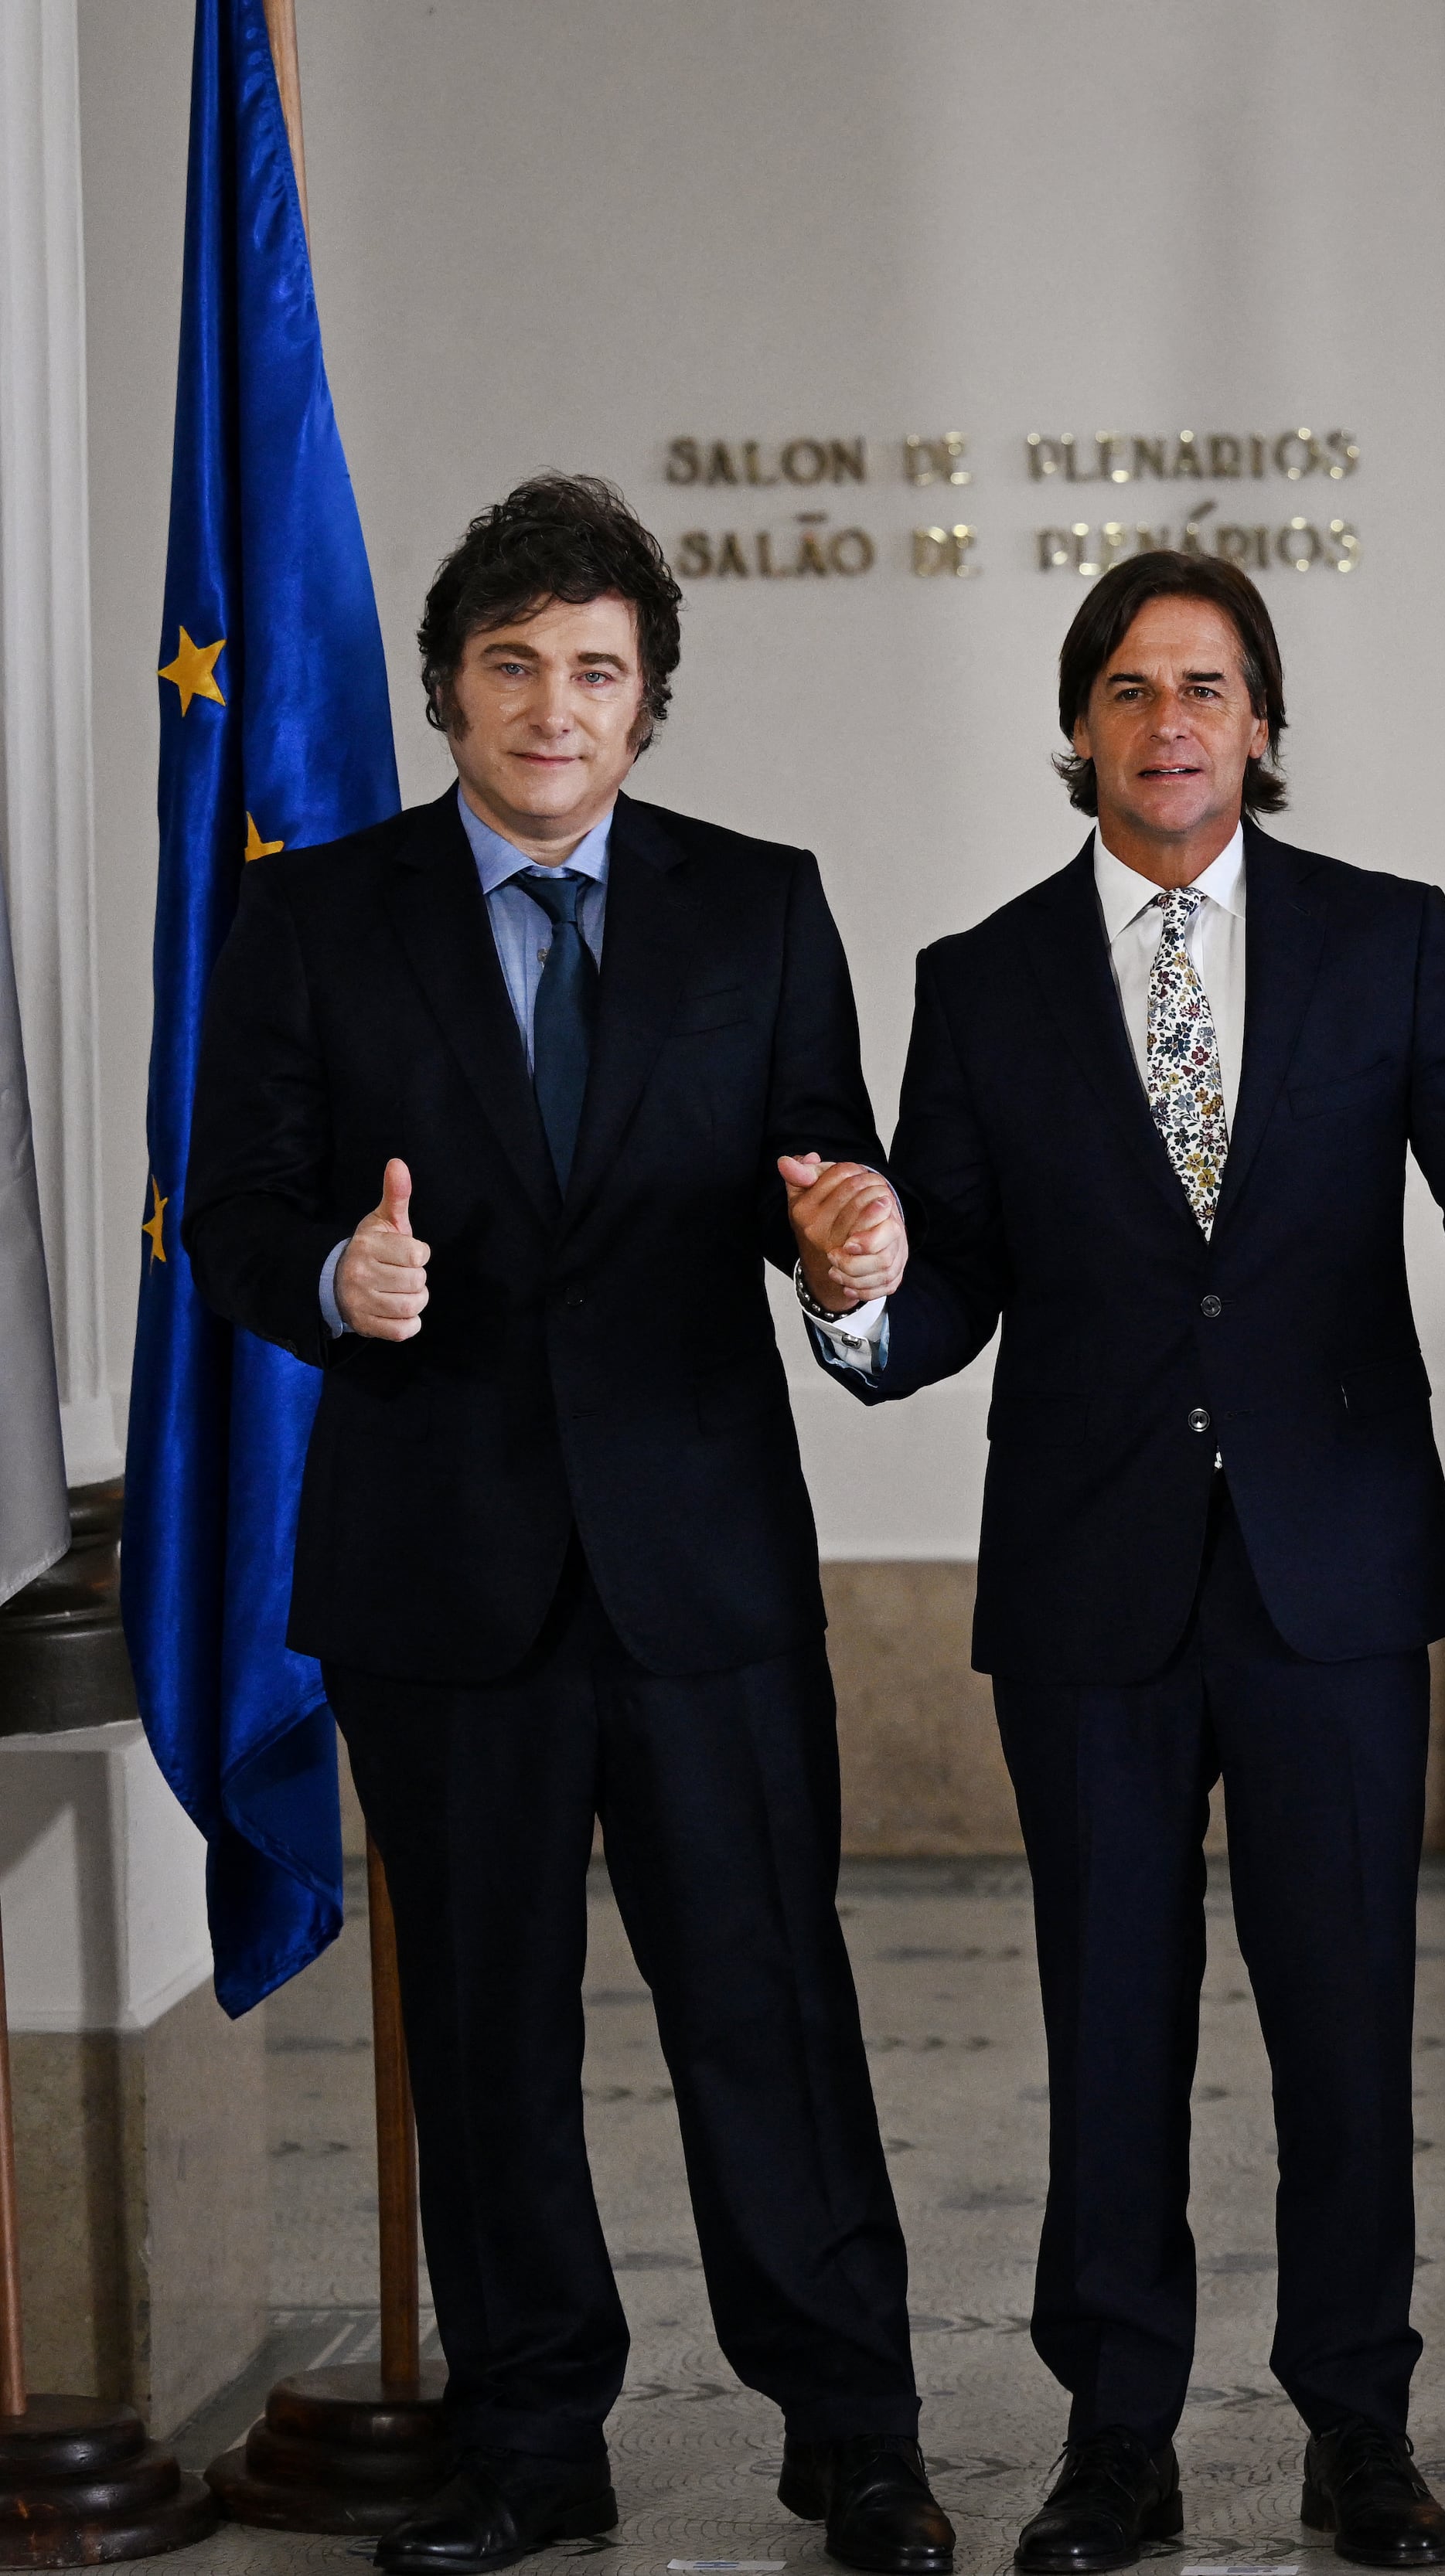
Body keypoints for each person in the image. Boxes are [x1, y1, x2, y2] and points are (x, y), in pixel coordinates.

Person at [801, 550, 1445, 2574]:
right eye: (1129, 687)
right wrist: (859, 1287)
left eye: (1206, 686)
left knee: (1347, 2017)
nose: (1169, 720)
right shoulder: (983, 978)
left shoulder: (1384, 935)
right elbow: (948, 1286)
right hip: (1087, 1580)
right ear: (1079, 726)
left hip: (1330, 1566)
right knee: (1109, 2019)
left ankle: (1361, 2427)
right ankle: (1117, 2439)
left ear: (1262, 724)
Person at [181, 475, 949, 2576]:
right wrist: (334, 1277)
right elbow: (234, 1212)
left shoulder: (759, 904)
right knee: (487, 2031)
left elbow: (828, 1179)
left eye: (595, 669)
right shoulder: (318, 916)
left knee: (769, 2010)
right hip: (441, 1575)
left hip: (700, 1567)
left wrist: (852, 1246)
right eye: (510, 663)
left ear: (647, 701)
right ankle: (531, 2443)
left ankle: (857, 2435)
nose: (550, 704)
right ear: (447, 690)